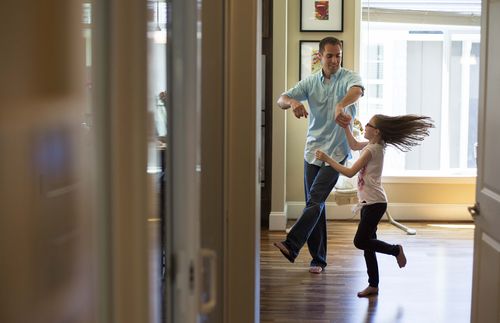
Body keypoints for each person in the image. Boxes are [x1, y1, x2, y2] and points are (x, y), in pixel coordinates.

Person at [315, 114, 434, 297]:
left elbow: (349, 172)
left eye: (368, 124)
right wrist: (346, 126)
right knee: (368, 245)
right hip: (369, 203)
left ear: (376, 131)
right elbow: (354, 145)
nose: (365, 126)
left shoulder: (372, 150)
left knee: (360, 241)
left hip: (375, 203)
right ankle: (373, 285)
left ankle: (395, 250)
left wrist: (327, 159)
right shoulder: (375, 146)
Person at [273, 36, 364, 274]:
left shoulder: (349, 78)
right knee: (315, 203)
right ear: (320, 56)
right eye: (330, 55)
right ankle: (318, 260)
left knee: (315, 198)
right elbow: (280, 99)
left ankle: (292, 245)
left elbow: (357, 91)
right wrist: (293, 102)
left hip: (336, 151)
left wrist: (340, 105)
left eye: (338, 56)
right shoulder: (310, 82)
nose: (335, 60)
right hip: (313, 151)